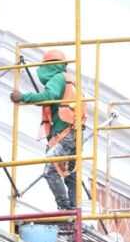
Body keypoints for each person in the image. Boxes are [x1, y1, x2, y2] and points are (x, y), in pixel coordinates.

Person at [10, 50, 85, 210]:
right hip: (76, 135)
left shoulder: (58, 78)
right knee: (70, 173)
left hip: (65, 134)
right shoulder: (73, 82)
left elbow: (49, 95)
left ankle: (64, 208)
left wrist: (23, 97)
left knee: (51, 170)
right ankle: (74, 209)